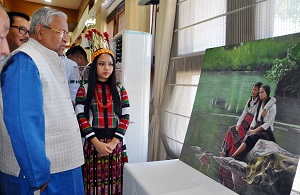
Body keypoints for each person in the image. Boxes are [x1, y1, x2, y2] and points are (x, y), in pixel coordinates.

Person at [0, 7, 84, 194]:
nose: (65, 39)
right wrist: (38, 173)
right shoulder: (25, 61)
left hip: (61, 164)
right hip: (44, 174)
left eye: (67, 34)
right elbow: (22, 121)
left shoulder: (46, 58)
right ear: (39, 31)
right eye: (61, 32)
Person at [75, 42, 130, 193]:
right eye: (102, 64)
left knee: (115, 186)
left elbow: (125, 117)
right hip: (93, 145)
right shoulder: (84, 89)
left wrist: (113, 143)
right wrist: (97, 144)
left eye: (110, 64)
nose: (107, 68)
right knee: (92, 186)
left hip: (115, 146)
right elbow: (81, 117)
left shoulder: (120, 90)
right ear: (94, 66)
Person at [220, 82, 276, 157]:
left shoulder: (264, 102)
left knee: (243, 136)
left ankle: (232, 155)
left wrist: (265, 108)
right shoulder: (251, 101)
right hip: (250, 123)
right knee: (232, 129)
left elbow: (273, 100)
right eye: (253, 90)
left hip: (260, 127)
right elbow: (245, 113)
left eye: (256, 90)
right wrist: (239, 124)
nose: (253, 92)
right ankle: (225, 150)